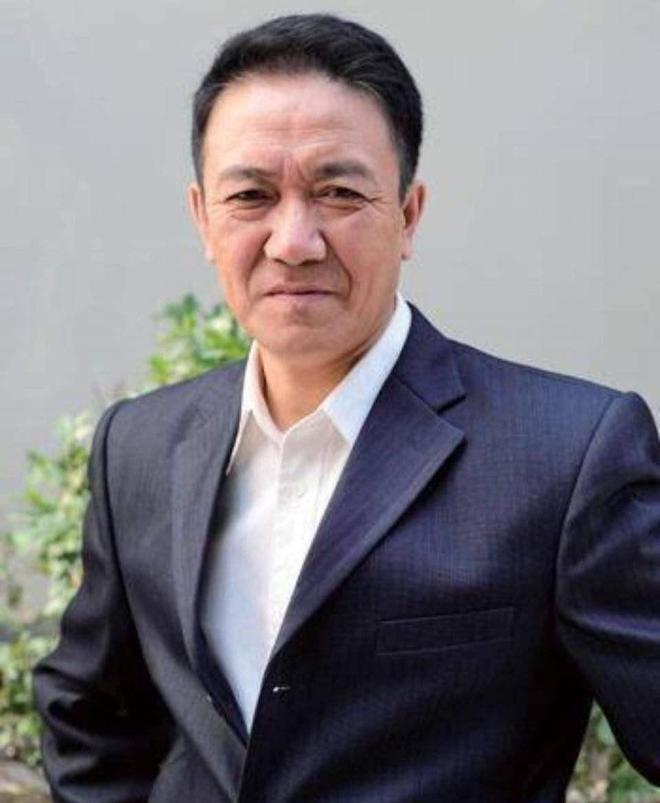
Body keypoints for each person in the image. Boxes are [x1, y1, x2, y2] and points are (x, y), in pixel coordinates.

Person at [33, 13, 660, 803]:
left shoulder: (565, 456)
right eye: (251, 195)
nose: (293, 241)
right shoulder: (140, 444)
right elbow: (92, 716)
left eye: (338, 192)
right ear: (203, 218)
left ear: (408, 213)